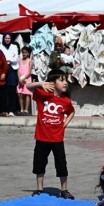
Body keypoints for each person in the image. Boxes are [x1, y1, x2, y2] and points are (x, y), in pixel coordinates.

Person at [26, 69, 75, 199]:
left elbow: (71, 112)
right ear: (52, 83)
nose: (65, 83)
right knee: (39, 163)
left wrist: (65, 123)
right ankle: (39, 189)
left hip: (57, 138)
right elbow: (27, 86)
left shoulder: (66, 101)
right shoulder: (42, 95)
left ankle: (64, 190)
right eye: (61, 80)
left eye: (66, 80)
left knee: (61, 164)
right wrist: (40, 83)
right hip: (42, 137)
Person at [0, 34, 20, 116]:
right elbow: (1, 58)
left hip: (12, 69)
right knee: (4, 90)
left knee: (12, 89)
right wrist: (9, 58)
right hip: (3, 69)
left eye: (9, 38)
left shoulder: (14, 46)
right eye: (6, 38)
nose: (7, 39)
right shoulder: (1, 47)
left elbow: (15, 59)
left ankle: (12, 110)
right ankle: (4, 110)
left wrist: (8, 59)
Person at [16, 46, 33, 115]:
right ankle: (21, 109)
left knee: (27, 94)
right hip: (20, 79)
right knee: (20, 94)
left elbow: (29, 72)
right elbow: (18, 70)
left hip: (27, 79)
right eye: (23, 52)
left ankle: (26, 110)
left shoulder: (30, 61)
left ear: (28, 53)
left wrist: (24, 78)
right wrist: (20, 78)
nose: (24, 54)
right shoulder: (20, 60)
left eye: (25, 52)